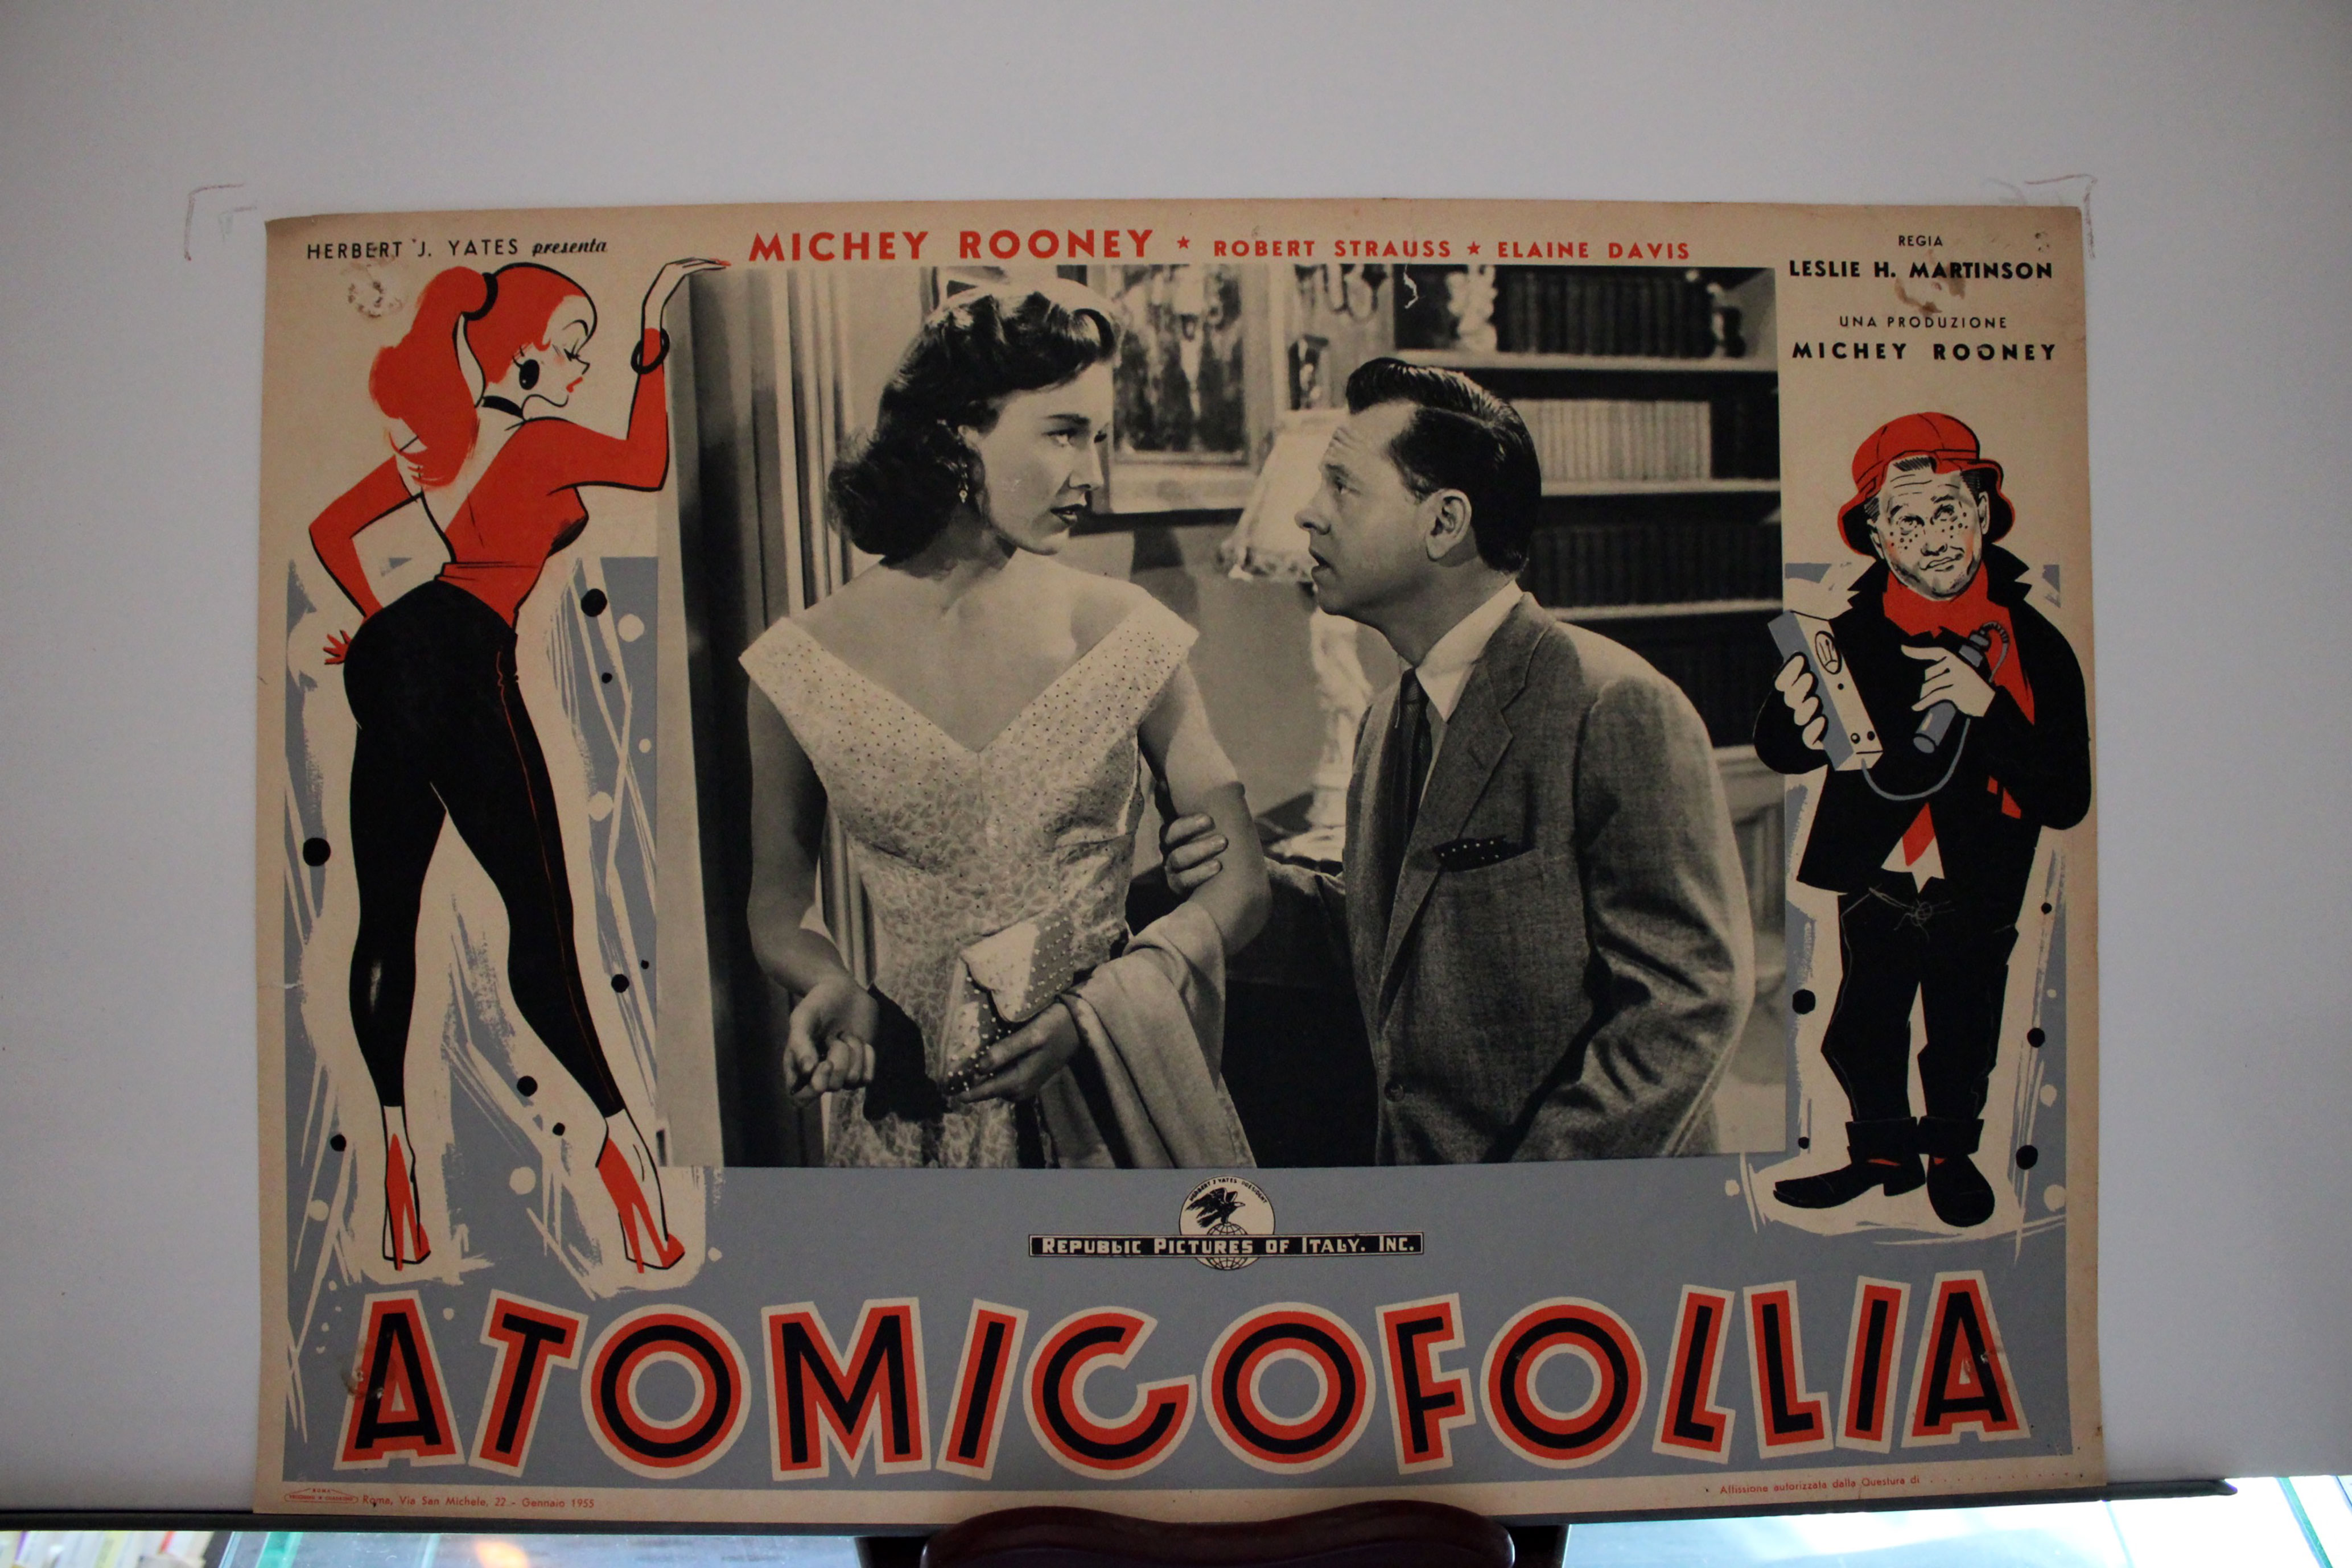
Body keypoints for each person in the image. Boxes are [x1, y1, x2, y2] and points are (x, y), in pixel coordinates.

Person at [740, 282, 1269, 1169]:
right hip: (914, 1101)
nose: (1090, 473)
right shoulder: (797, 667)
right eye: (1064, 433)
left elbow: (1241, 885)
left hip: (1111, 1091)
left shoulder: (1125, 632)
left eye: (1098, 439)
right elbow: (778, 906)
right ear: (956, 436)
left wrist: (1092, 1016)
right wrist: (829, 981)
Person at [1172, 358, 1752, 1162]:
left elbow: (1688, 1004)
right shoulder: (1387, 716)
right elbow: (1402, 931)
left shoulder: (1612, 705)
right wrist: (1241, 879)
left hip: (1565, 1210)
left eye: (1341, 487)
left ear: (1444, 523)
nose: (1308, 513)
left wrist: (1517, 1204)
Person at [309, 255, 723, 1271]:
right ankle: (626, 1161)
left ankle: (396, 1172)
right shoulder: (536, 440)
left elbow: (330, 530)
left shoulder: (439, 442)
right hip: (460, 650)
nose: (580, 369)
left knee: (387, 916)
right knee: (540, 925)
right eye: (572, 349)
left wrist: (375, 632)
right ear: (523, 354)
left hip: (394, 652)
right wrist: (651, 325)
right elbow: (645, 463)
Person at [1757, 412, 2089, 1227]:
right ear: (1876, 537)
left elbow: (2068, 796)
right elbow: (1782, 747)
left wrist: (1988, 709)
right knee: (1861, 1023)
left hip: (1979, 876)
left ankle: (1950, 1156)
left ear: (1984, 513)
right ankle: (1880, 1154)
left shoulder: (2037, 645)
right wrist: (1794, 719)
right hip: (1874, 871)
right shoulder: (1849, 633)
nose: (1933, 537)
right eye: (1906, 520)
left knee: (1963, 1023)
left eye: (1948, 511)